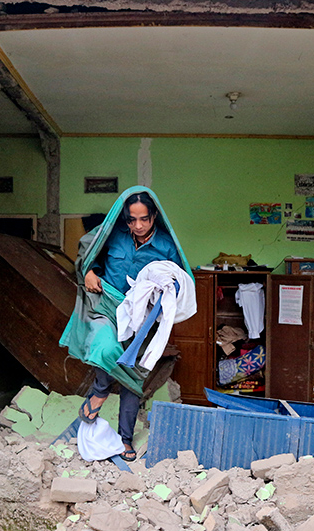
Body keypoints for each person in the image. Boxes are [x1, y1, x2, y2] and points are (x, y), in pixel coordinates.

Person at [60, 186, 194, 461]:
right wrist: (91, 272)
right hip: (108, 308)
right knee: (105, 347)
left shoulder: (166, 246)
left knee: (133, 378)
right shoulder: (112, 234)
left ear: (154, 216)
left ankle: (125, 439)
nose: (138, 225)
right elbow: (88, 254)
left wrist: (167, 292)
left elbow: (181, 286)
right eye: (132, 219)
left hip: (142, 321)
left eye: (144, 219)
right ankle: (98, 394)